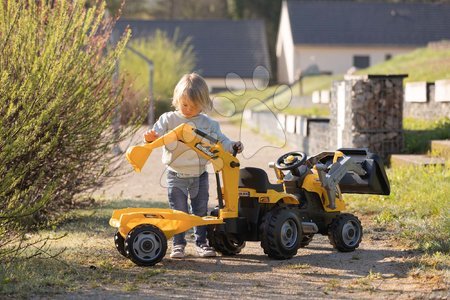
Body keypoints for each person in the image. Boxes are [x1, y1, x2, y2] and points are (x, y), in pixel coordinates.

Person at [143, 73, 243, 259]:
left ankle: (202, 244)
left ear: (203, 103)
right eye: (185, 105)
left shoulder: (208, 123)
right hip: (176, 175)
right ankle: (178, 245)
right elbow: (154, 134)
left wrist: (233, 145)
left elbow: (222, 141)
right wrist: (149, 137)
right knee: (179, 212)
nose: (189, 109)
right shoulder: (169, 119)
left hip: (199, 175)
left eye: (194, 106)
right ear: (177, 100)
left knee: (199, 211)